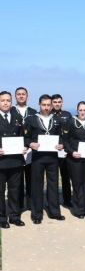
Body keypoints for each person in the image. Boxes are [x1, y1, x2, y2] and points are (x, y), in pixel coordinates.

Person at [24, 94, 65, 224]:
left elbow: (62, 137)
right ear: (39, 105)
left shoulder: (57, 120)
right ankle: (37, 214)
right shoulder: (31, 120)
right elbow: (25, 137)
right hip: (37, 157)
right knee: (37, 185)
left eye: (48, 105)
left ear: (52, 105)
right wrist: (30, 144)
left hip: (53, 157)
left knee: (53, 184)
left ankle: (54, 212)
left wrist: (61, 144)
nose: (46, 107)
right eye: (44, 105)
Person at [0, 91, 27, 228]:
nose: (5, 103)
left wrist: (24, 147)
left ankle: (14, 216)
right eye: (3, 100)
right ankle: (1, 218)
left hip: (16, 160)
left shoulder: (17, 117)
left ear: (11, 102)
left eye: (8, 100)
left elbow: (23, 136)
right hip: (1, 161)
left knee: (15, 190)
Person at [10, 87, 37, 210]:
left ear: (27, 96)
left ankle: (31, 205)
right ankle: (18, 205)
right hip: (15, 150)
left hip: (31, 150)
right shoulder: (10, 111)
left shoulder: (33, 111)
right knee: (17, 180)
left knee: (31, 178)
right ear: (15, 97)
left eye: (23, 94)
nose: (21, 96)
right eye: (19, 94)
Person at [51, 94, 73, 207]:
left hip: (64, 151)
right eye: (55, 102)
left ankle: (67, 200)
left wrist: (65, 146)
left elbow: (70, 133)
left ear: (62, 103)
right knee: (52, 179)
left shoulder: (67, 115)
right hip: (51, 151)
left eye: (59, 101)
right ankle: (53, 202)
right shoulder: (47, 115)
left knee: (66, 177)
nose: (57, 104)